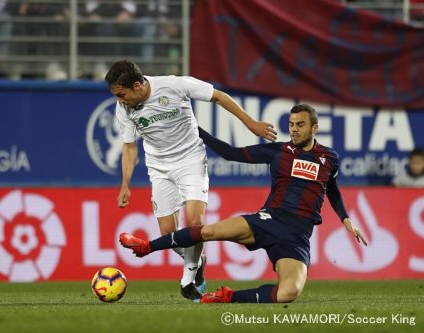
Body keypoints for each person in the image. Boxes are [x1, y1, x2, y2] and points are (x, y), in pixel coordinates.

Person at [120, 103, 368, 303]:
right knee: (209, 231)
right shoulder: (278, 151)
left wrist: (346, 219)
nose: (294, 129)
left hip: (297, 237)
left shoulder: (330, 158)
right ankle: (146, 247)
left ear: (315, 128)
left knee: (289, 292)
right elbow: (231, 153)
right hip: (268, 220)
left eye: (300, 125)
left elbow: (331, 188)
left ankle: (227, 296)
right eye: (291, 124)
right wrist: (196, 130)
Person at [105, 60, 277, 302]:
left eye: (122, 95)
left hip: (190, 159)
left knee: (195, 221)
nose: (120, 101)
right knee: (168, 232)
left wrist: (251, 123)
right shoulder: (123, 109)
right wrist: (125, 184)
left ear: (137, 85)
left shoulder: (175, 85)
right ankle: (198, 260)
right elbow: (130, 146)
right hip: (159, 167)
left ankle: (188, 279)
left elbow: (219, 96)